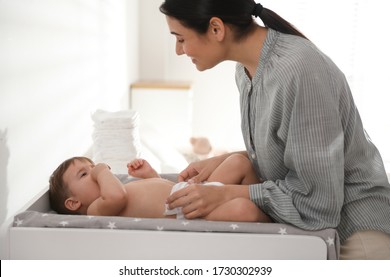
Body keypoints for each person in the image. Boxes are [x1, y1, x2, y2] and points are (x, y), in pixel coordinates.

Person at [159, 0, 390, 259]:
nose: (179, 51)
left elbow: (317, 201)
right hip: (316, 224)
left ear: (216, 28)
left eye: (180, 39)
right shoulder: (245, 70)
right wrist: (223, 159)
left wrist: (225, 194)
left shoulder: (299, 68)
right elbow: (292, 148)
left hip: (355, 230)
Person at [49, 154, 271, 223]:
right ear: (73, 202)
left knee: (239, 162)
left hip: (187, 190)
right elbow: (117, 195)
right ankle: (271, 224)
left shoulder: (116, 190)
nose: (94, 172)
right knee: (243, 209)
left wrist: (149, 176)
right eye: (84, 174)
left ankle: (272, 207)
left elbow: (159, 191)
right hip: (190, 211)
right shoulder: (94, 210)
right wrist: (101, 170)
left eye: (91, 167)